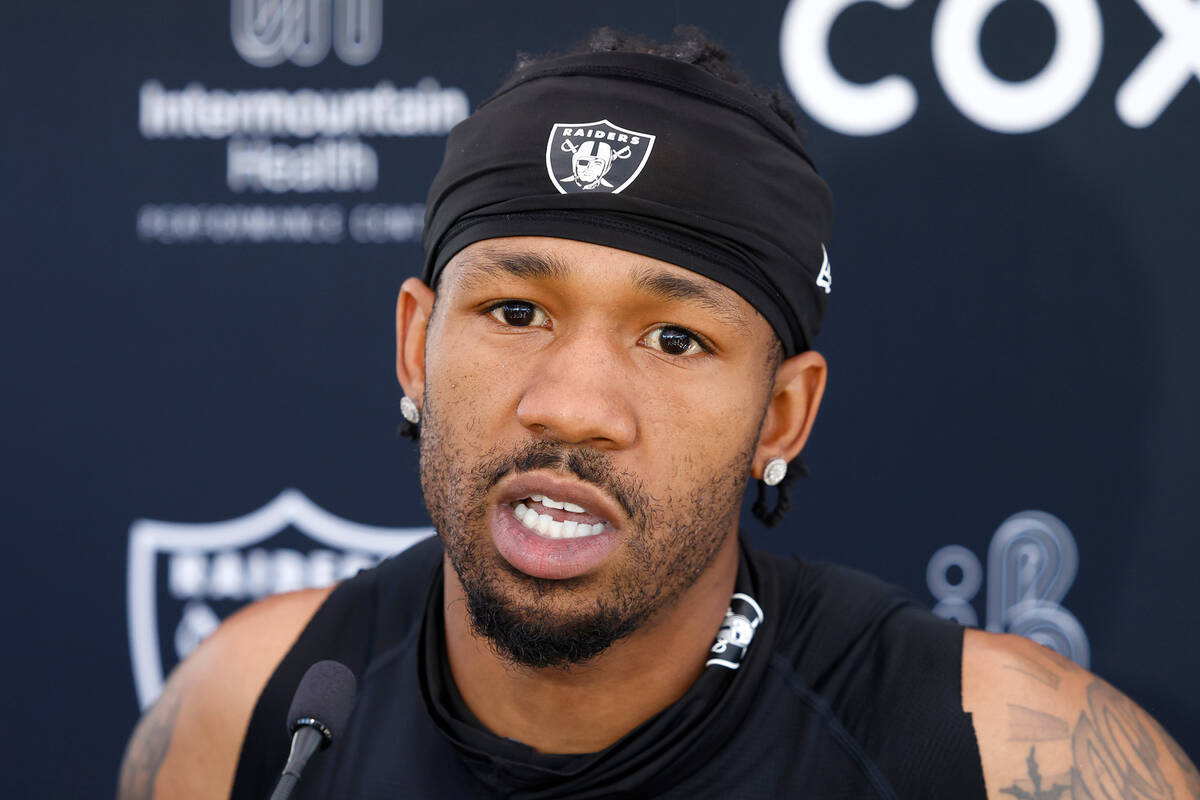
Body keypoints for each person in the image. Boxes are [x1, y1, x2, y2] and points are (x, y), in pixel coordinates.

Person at [118, 27, 1199, 800]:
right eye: (515, 309)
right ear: (416, 343)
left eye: (674, 337)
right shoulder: (254, 708)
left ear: (782, 416)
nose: (574, 406)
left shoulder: (1009, 755)